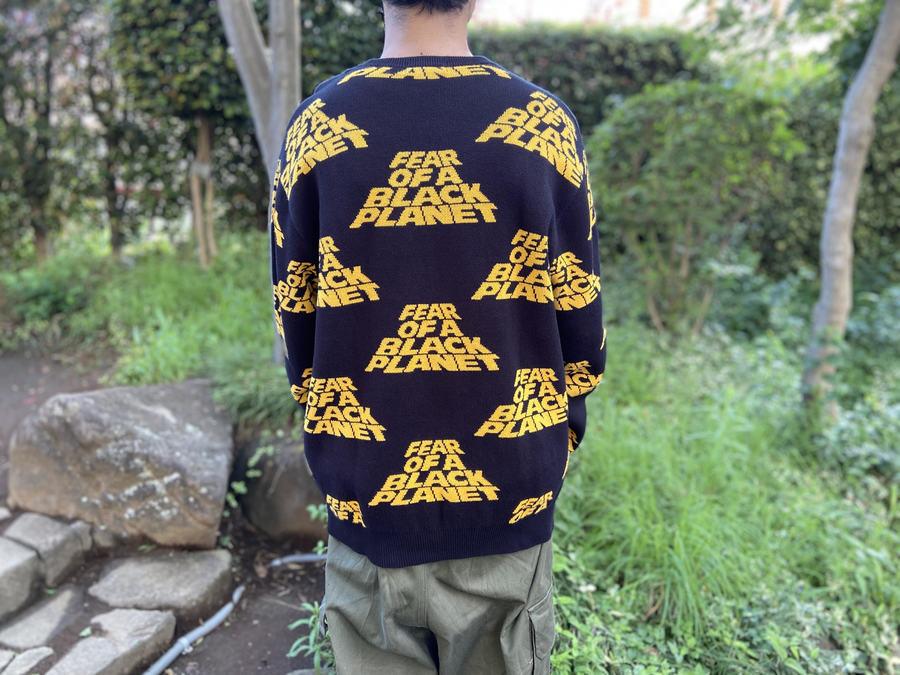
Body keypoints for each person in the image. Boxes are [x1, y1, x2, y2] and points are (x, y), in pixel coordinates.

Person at [269, 0, 606, 671]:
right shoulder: (542, 124)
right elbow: (582, 330)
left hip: (366, 496)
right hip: (510, 493)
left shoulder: (317, 126)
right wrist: (553, 438)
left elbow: (296, 326)